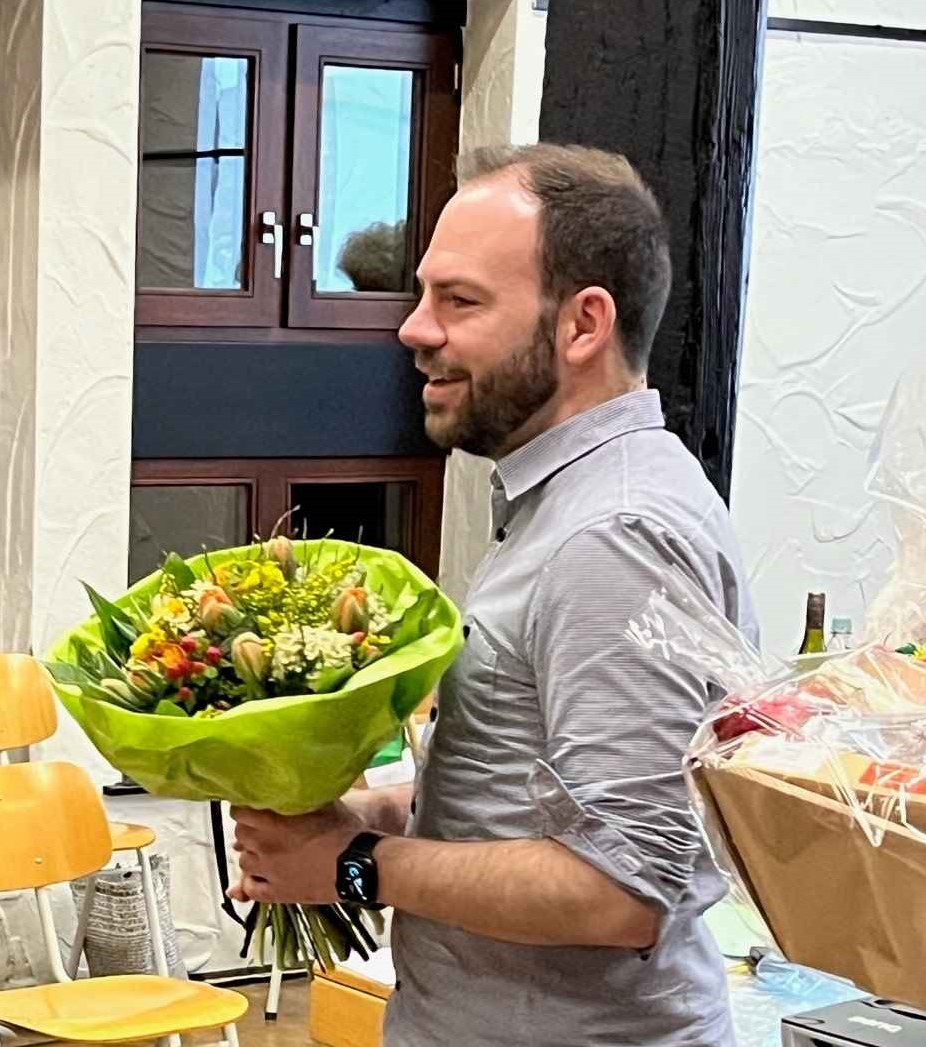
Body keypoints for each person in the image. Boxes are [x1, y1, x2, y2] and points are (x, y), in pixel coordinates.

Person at [229, 144, 755, 1046]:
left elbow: (624, 889)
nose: (413, 328)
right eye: (423, 292)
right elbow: (533, 792)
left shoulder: (614, 535)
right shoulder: (565, 503)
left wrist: (352, 866)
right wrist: (377, 811)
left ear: (582, 323)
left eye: (459, 300)